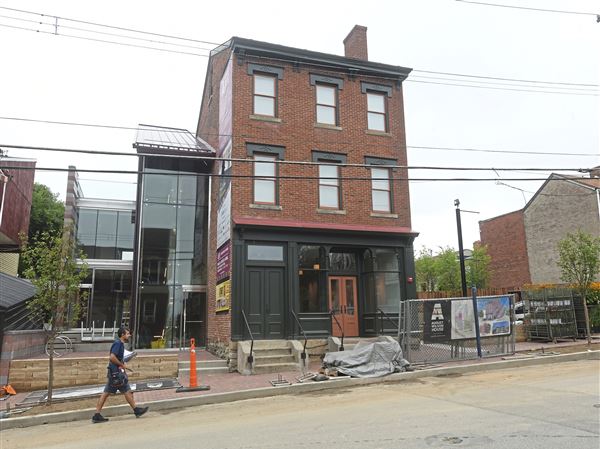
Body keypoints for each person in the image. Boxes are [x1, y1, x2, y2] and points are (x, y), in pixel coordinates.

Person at [92, 327, 148, 423]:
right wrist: (122, 365)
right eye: (127, 333)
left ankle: (136, 410)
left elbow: (117, 357)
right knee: (111, 392)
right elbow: (112, 357)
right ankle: (97, 414)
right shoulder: (118, 343)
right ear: (122, 335)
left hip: (116, 372)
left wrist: (125, 362)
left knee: (125, 390)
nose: (129, 335)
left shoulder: (120, 344)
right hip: (116, 373)